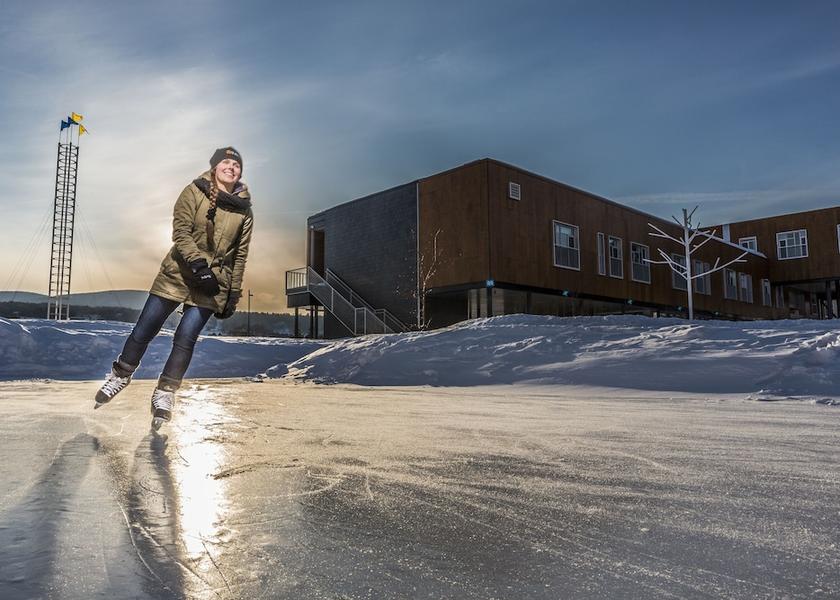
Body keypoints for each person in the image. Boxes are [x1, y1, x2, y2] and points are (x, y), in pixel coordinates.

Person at [94, 147, 254, 429]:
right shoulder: (194, 191)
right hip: (177, 274)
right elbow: (180, 231)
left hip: (212, 284)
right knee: (145, 328)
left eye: (236, 164)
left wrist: (233, 293)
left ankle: (165, 392)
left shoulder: (245, 211)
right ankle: (122, 374)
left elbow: (239, 255)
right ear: (215, 167)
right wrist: (197, 264)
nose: (231, 167)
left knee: (185, 338)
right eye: (226, 162)